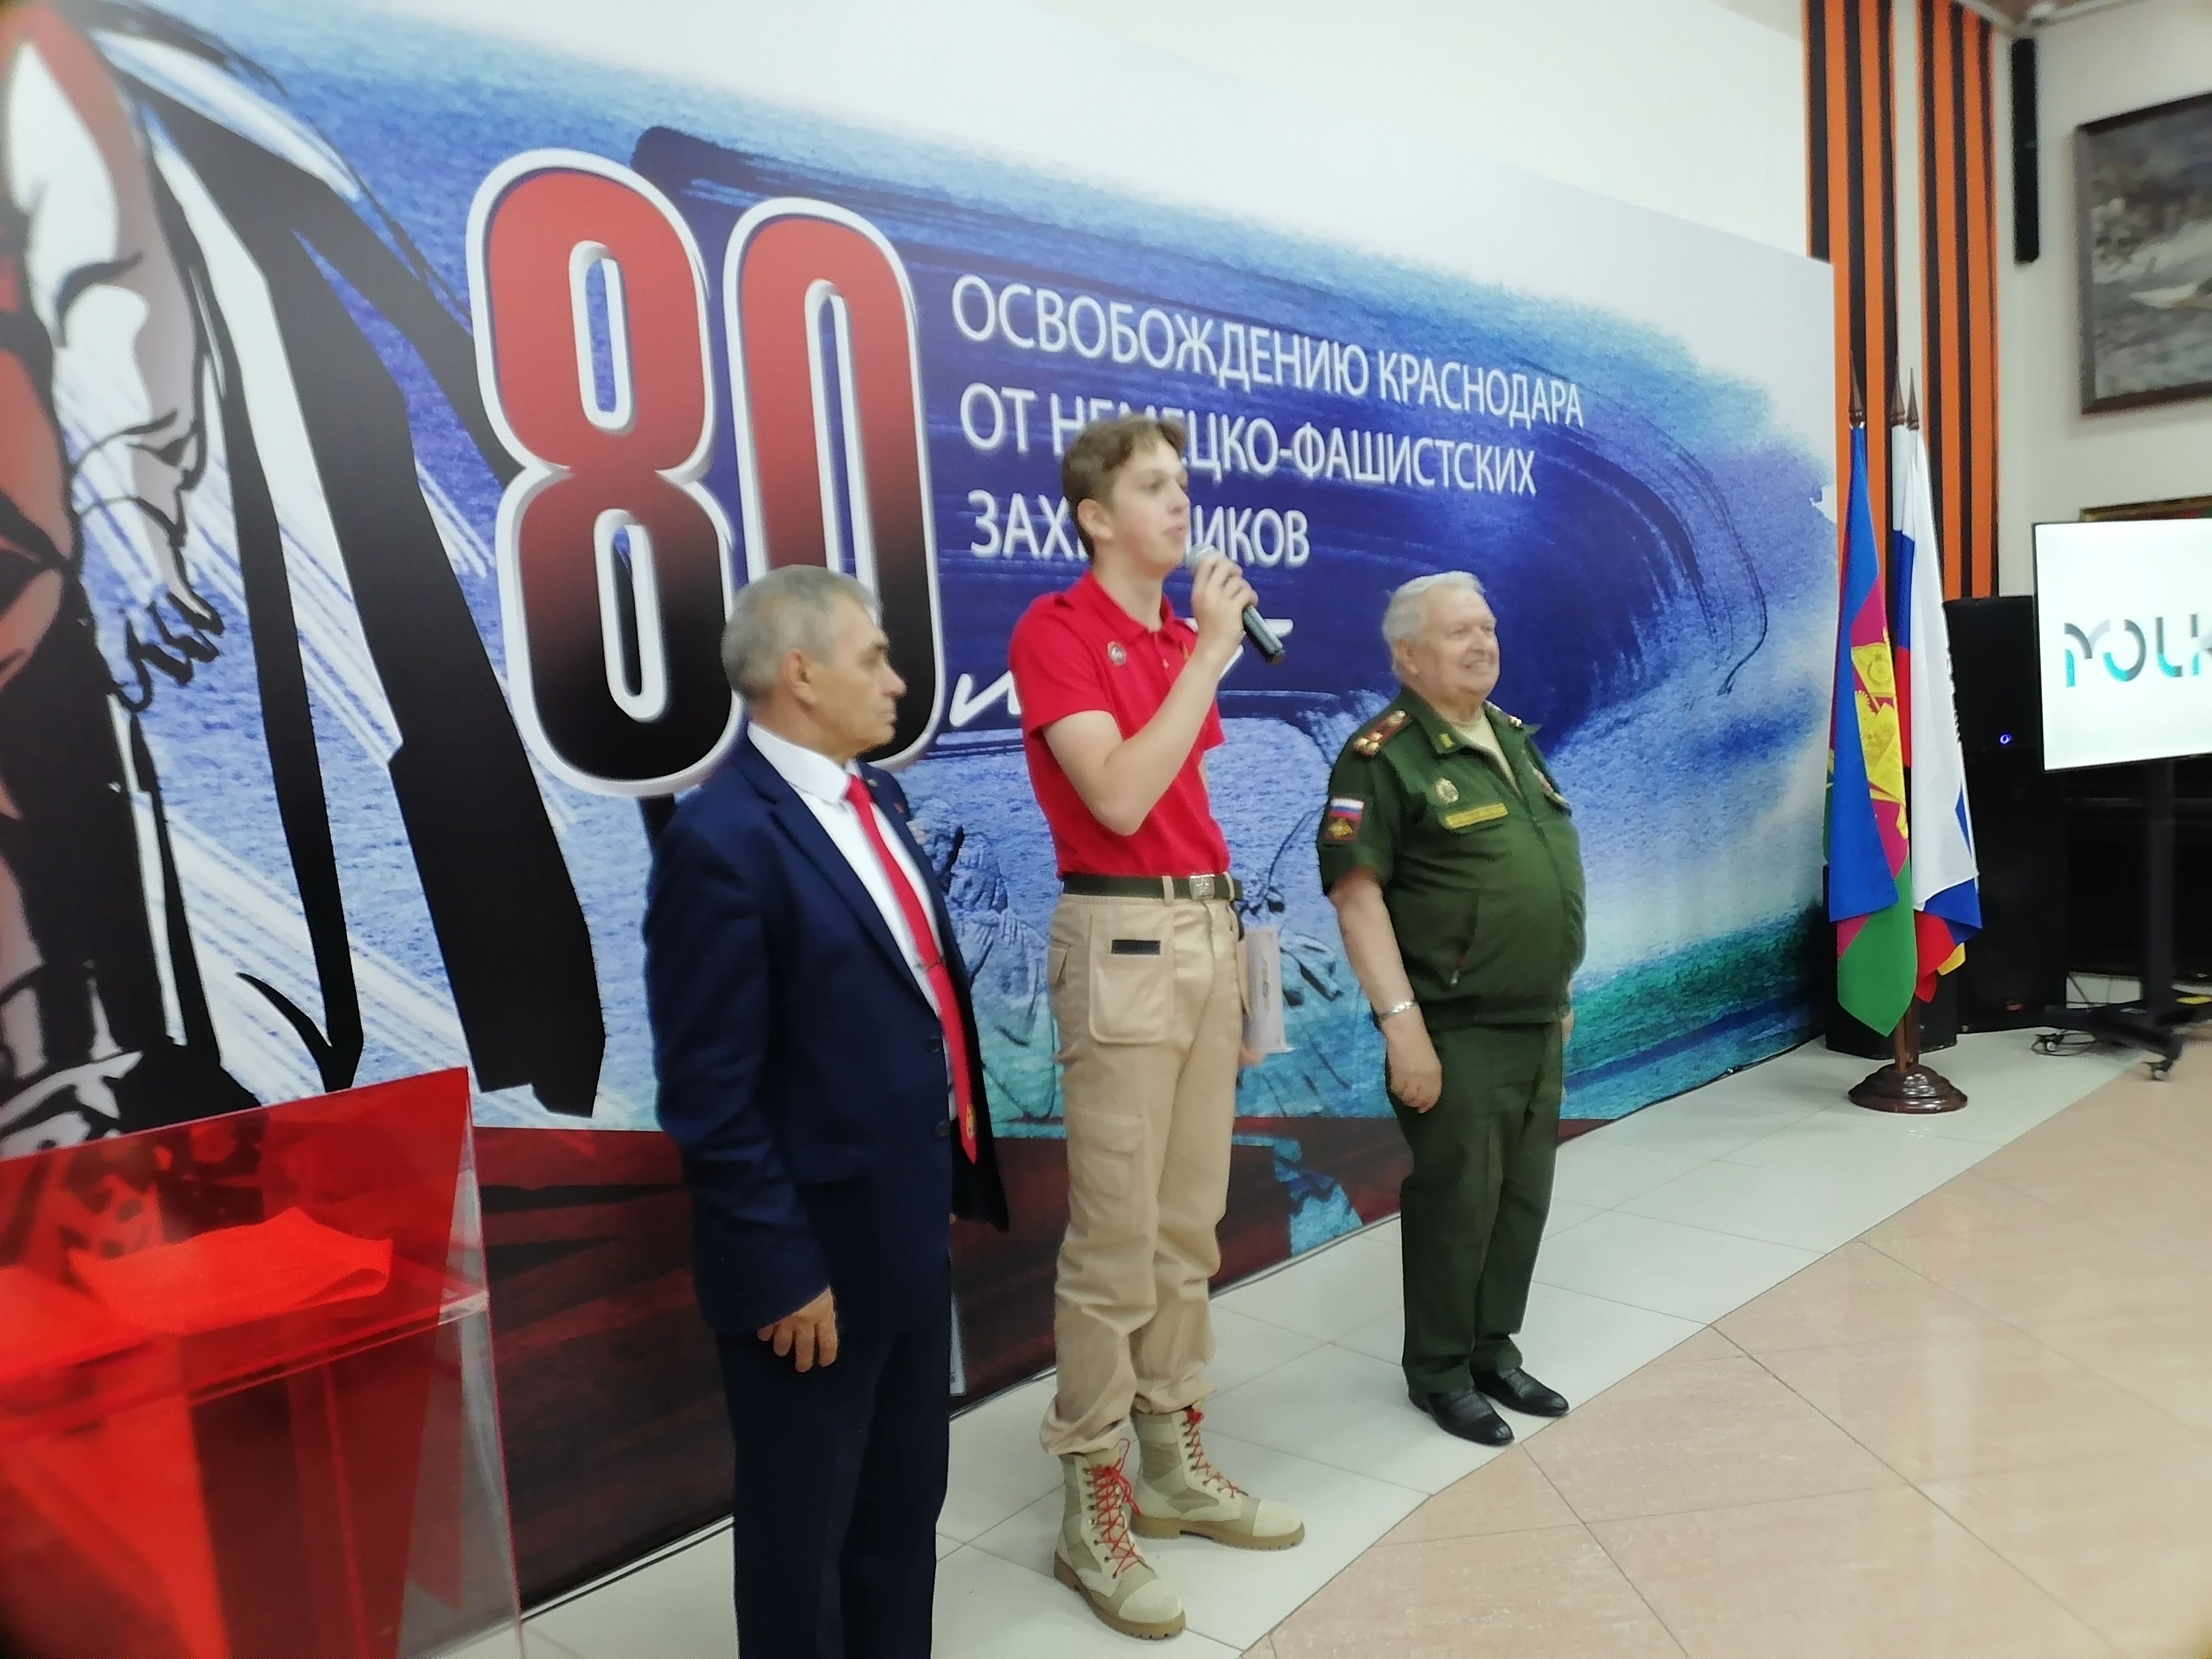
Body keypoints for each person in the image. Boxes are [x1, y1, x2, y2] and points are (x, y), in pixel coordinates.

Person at [644, 566, 1008, 1658]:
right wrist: (780, 1269)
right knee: (803, 1537)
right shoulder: (722, 840)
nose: (897, 682)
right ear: (800, 673)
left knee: (899, 1509)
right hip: (811, 1268)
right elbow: (708, 1094)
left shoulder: (874, 799)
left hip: (903, 1227)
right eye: (875, 659)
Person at [1007, 415, 1303, 1643]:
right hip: (1122, 936)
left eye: (1183, 483)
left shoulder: (1181, 639)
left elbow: (1179, 795)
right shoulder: (1056, 631)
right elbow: (1120, 798)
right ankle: (1091, 1501)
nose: (1181, 502)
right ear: (1094, 516)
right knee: (1116, 1237)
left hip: (1207, 929)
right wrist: (1210, 657)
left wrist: (1199, 652)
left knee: (1187, 1223)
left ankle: (1172, 1465)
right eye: (1152, 486)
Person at [1317, 571, 1585, 1446]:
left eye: (1488, 627)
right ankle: (1438, 1370)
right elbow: (1357, 898)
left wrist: (1557, 988)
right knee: (1458, 1204)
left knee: (1520, 1199)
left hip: (1535, 1018)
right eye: (1460, 631)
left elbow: (1534, 875)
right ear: (1407, 655)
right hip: (1454, 1028)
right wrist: (1403, 1027)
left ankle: (1491, 1350)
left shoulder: (1509, 736)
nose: (1483, 643)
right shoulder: (1382, 758)